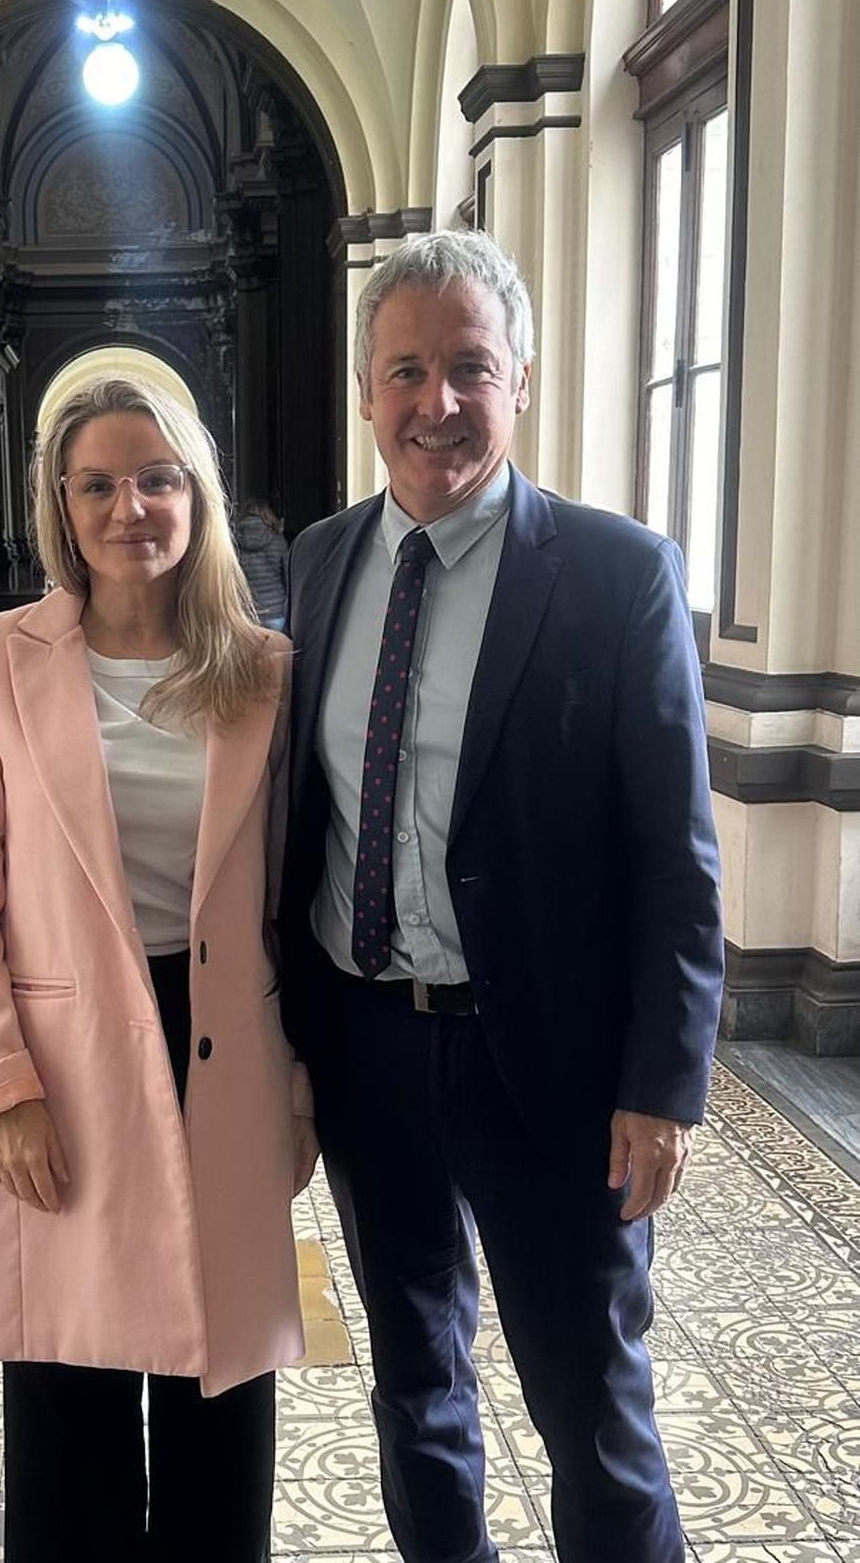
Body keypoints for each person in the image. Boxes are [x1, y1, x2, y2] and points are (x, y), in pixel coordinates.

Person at [278, 230, 724, 1563]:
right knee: (416, 1386)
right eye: (405, 371)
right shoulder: (316, 563)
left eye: (469, 366)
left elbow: (675, 853)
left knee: (591, 1411)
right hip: (366, 1046)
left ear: (519, 378)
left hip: (552, 1065)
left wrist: (666, 1080)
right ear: (367, 392)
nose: (438, 402)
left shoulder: (613, 573)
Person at [0, 376, 318, 1563]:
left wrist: (297, 1090)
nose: (129, 505)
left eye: (155, 478)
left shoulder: (262, 668)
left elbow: (294, 895)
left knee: (219, 1397)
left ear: (194, 490)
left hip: (226, 1049)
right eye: (97, 482)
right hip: (65, 1060)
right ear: (61, 502)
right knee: (68, 1408)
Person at [233, 498, 290, 631]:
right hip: (276, 610)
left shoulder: (235, 544)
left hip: (248, 612)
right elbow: (288, 575)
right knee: (278, 650)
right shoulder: (277, 540)